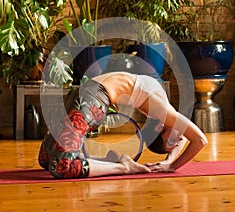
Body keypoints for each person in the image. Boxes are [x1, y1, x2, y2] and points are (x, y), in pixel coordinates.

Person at [38, 71, 208, 179]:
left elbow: (185, 136)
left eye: (172, 142)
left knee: (52, 162)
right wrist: (171, 166)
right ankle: (119, 164)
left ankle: (118, 164)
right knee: (56, 164)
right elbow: (199, 139)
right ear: (159, 128)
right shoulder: (163, 110)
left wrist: (170, 159)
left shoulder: (162, 112)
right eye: (172, 141)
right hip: (91, 97)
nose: (178, 139)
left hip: (85, 95)